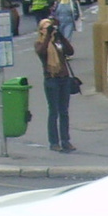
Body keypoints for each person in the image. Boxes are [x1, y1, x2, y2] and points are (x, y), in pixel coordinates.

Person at [34, 18, 77, 153]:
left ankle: (66, 140)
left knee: (64, 111)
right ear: (41, 30)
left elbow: (70, 51)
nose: (50, 30)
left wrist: (61, 36)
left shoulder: (58, 42)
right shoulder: (39, 43)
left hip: (64, 79)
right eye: (46, 28)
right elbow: (42, 52)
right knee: (54, 112)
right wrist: (48, 36)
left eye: (51, 27)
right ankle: (53, 142)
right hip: (51, 80)